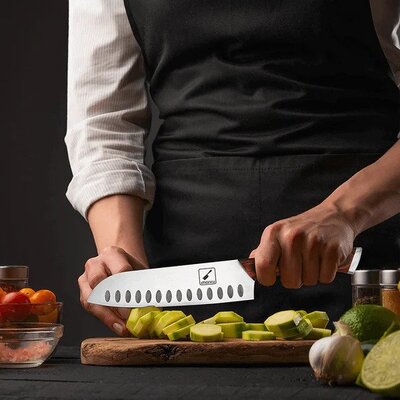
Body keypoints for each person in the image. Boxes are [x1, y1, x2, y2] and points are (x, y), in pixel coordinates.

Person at [66, 0, 400, 337]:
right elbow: (103, 124)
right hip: (185, 267)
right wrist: (126, 266)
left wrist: (344, 213)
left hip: (361, 260)